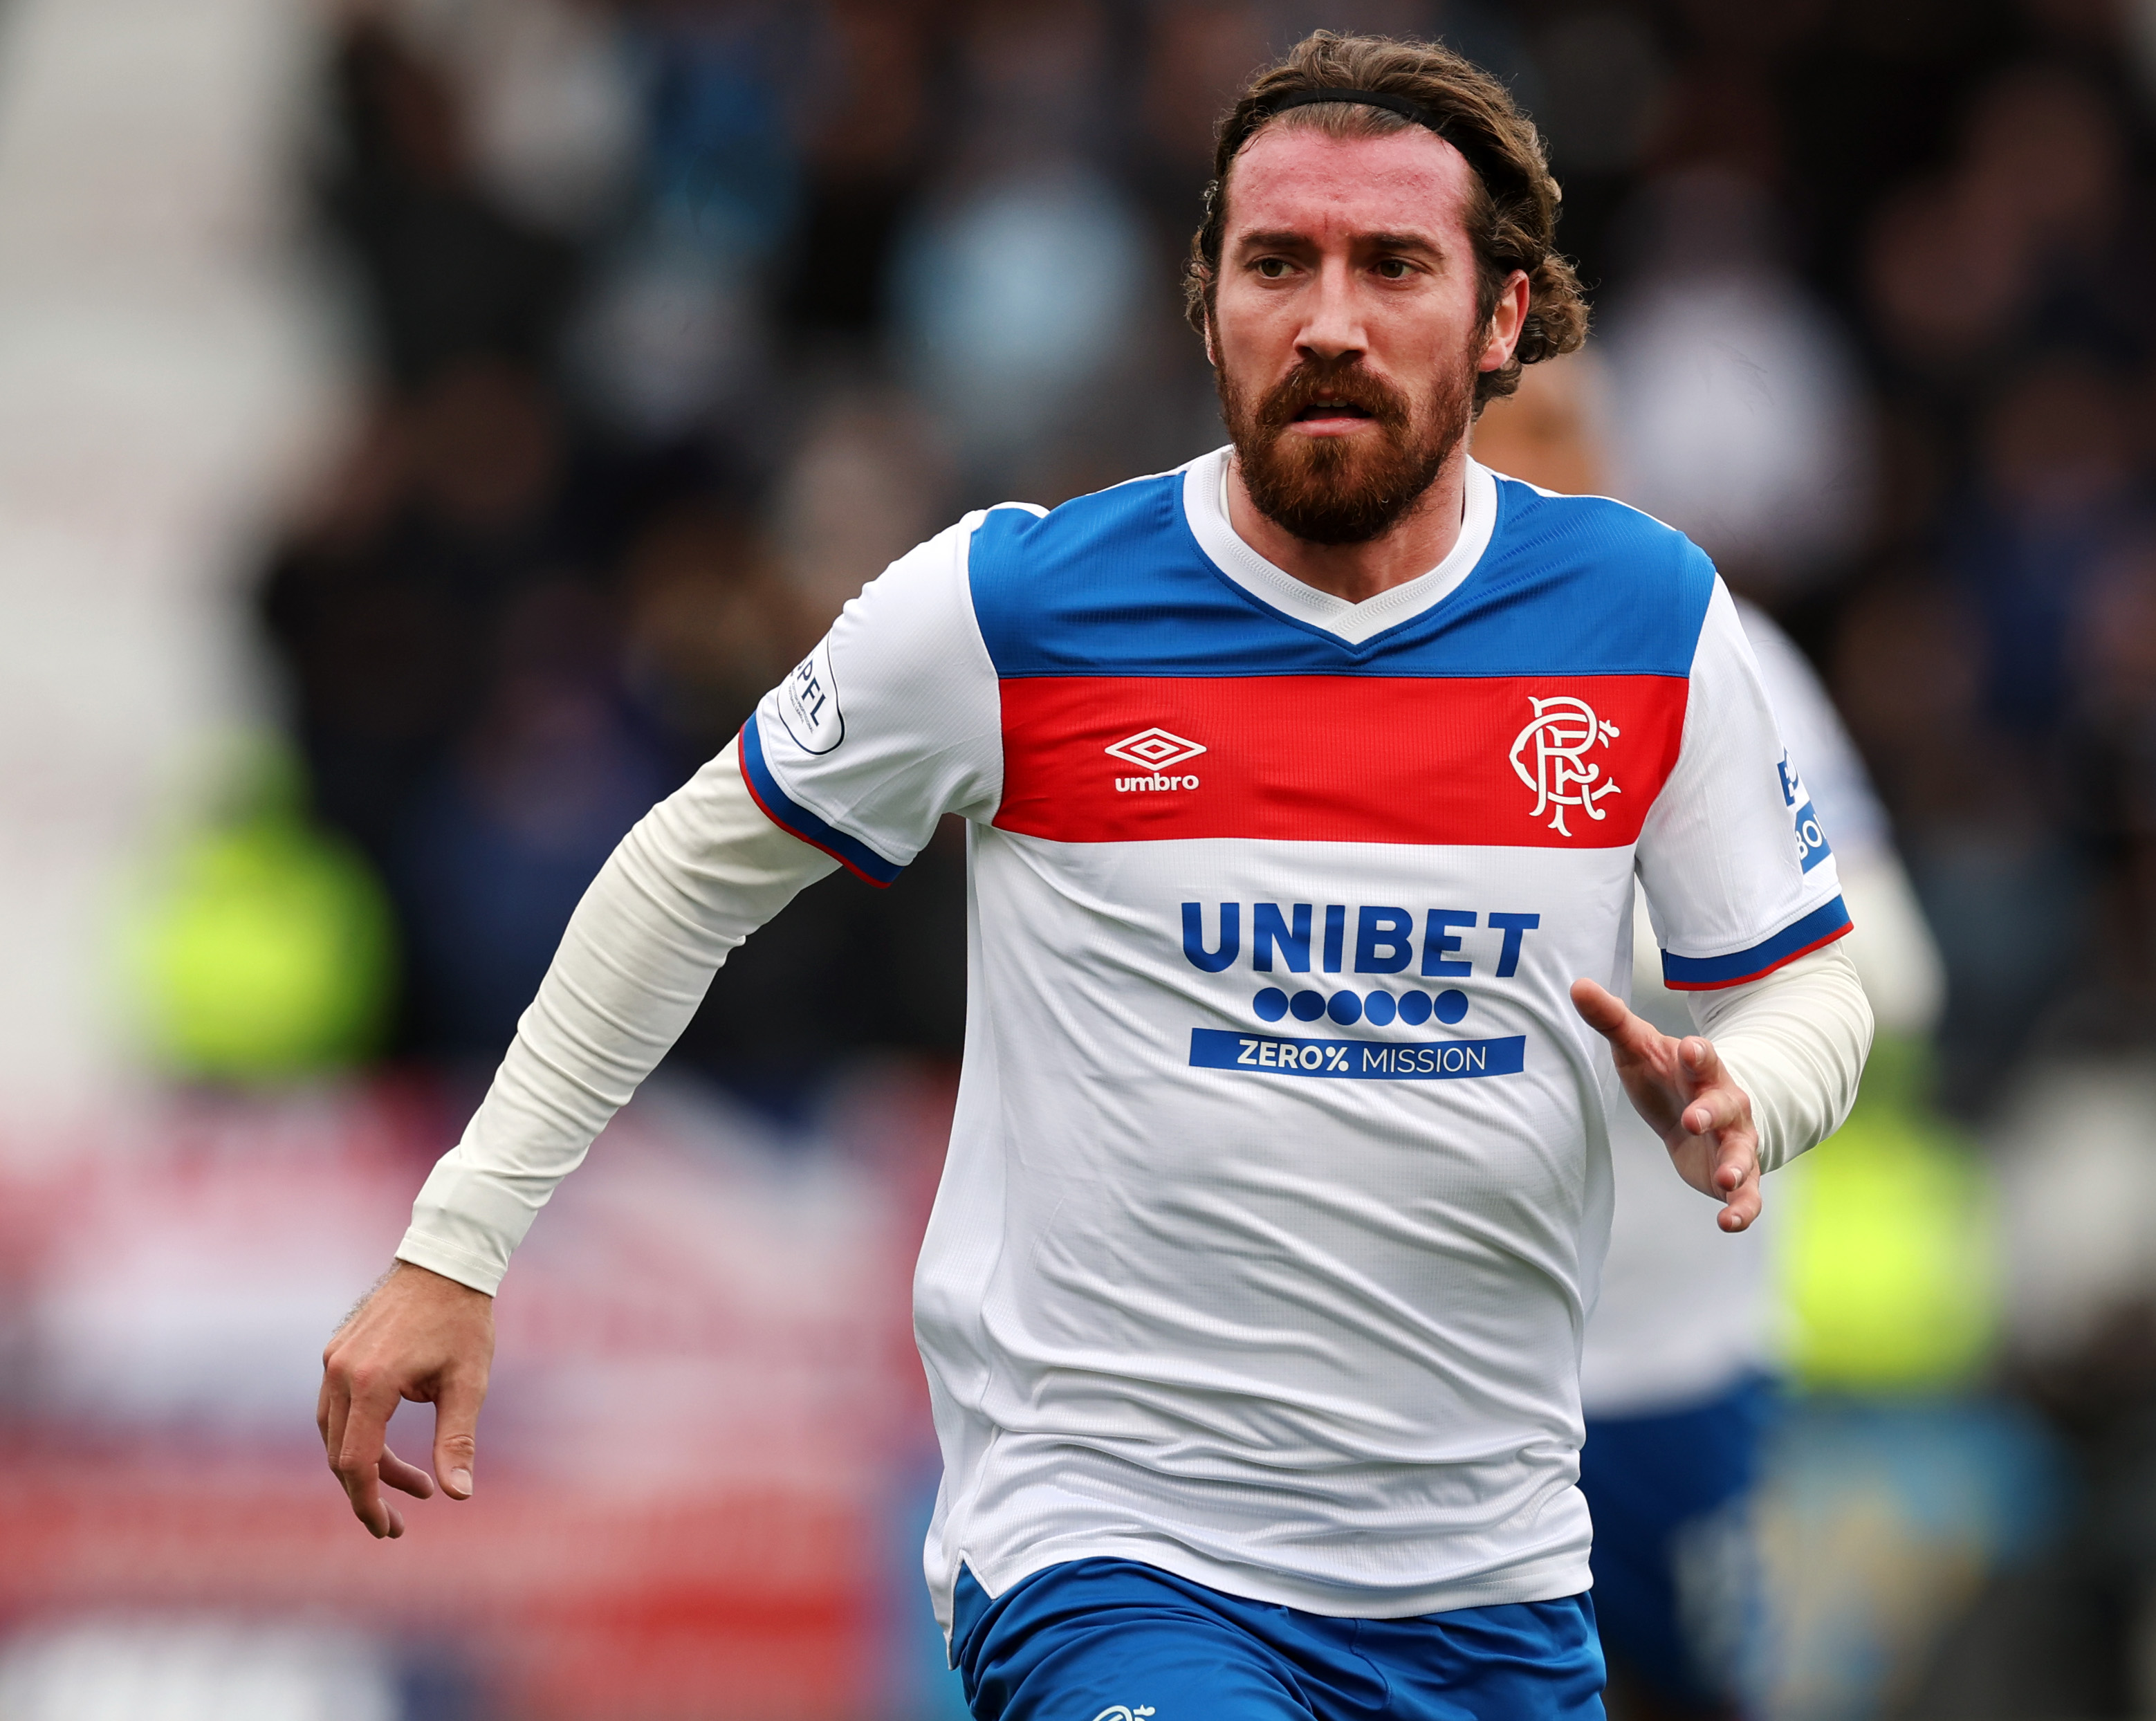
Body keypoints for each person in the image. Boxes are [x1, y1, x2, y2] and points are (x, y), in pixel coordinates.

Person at [318, 33, 1873, 1720]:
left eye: (1393, 266)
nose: (1328, 320)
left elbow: (1809, 977)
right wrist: (458, 1239)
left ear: (1501, 320)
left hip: (1488, 1580)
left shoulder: (1643, 618)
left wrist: (1755, 1086)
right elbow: (687, 875)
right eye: (1277, 263)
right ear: (1205, 300)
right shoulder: (1011, 608)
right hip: (1117, 1555)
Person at [1477, 356, 1942, 1719]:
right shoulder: (1344, 660)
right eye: (1514, 420)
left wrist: (1607, 935)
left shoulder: (1702, 649)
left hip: (1661, 1348)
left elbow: (1888, 966)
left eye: (1571, 423)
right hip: (1426, 1351)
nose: (1547, 455)